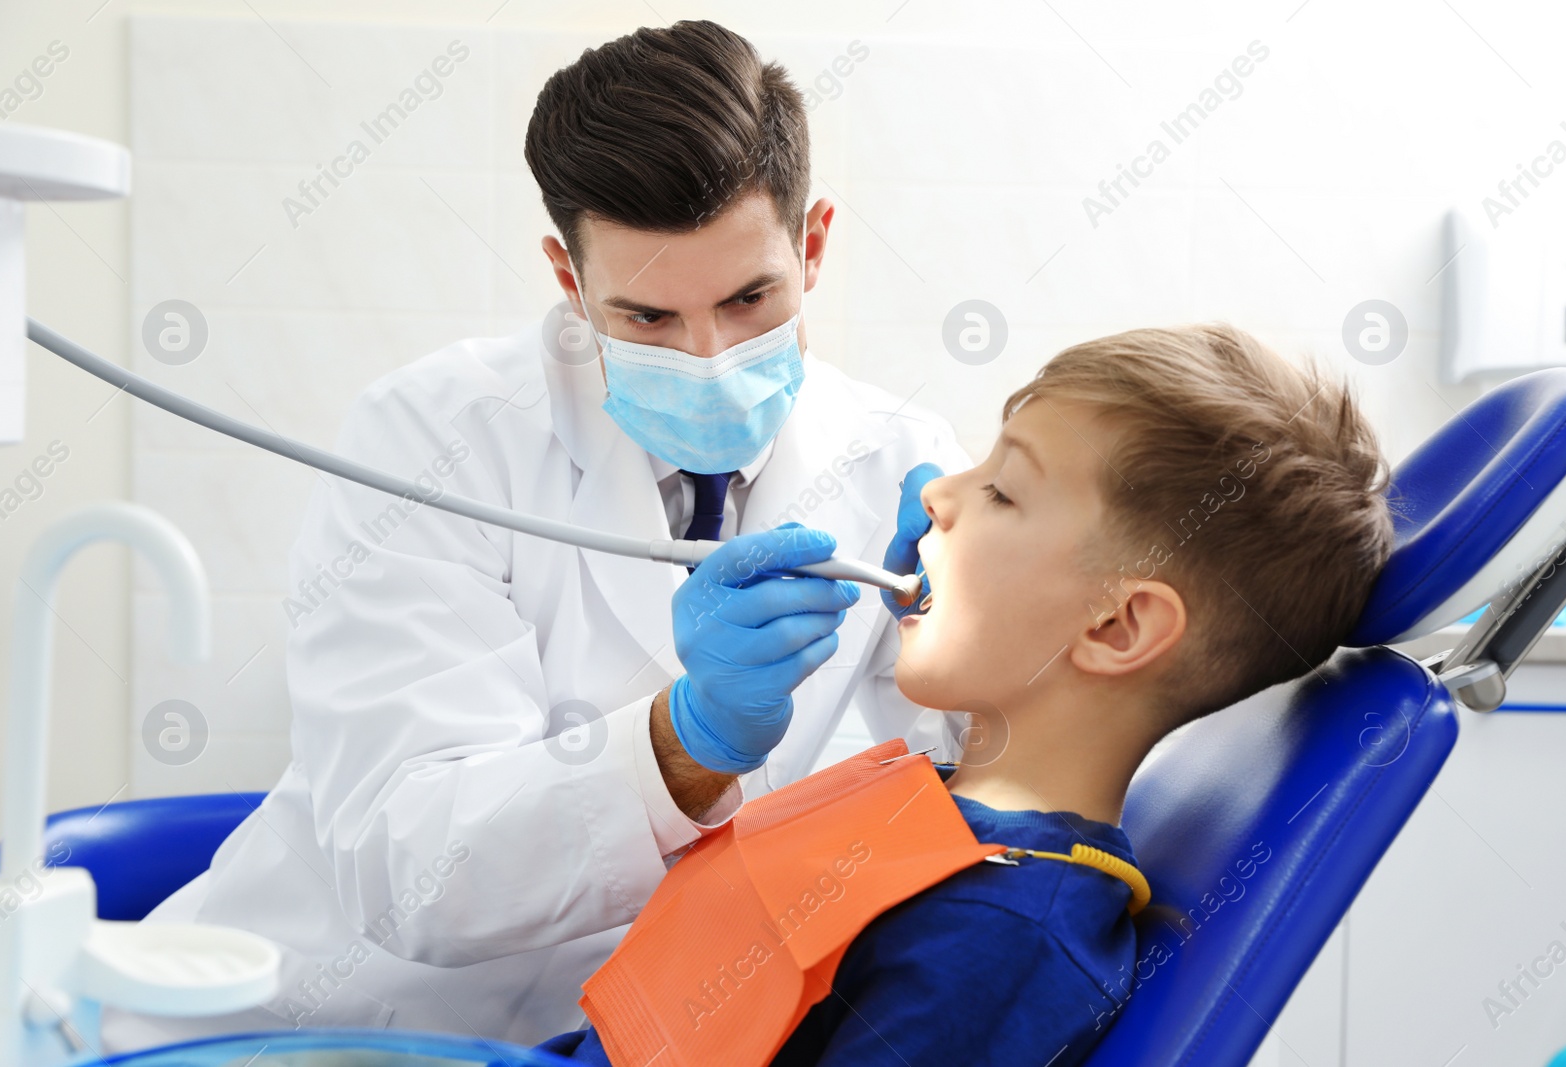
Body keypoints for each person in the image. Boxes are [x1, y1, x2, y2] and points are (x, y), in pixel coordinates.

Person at [102, 21, 966, 1052]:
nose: (708, 357)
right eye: (647, 318)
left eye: (749, 299)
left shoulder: (898, 460)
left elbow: (950, 806)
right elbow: (407, 868)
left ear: (812, 243)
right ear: (567, 275)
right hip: (327, 1022)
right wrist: (683, 743)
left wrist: (971, 643)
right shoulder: (431, 439)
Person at [535, 323, 1396, 1065]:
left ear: (1118, 627)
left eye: (1002, 489)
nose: (937, 494)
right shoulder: (939, 819)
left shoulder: (1006, 936)